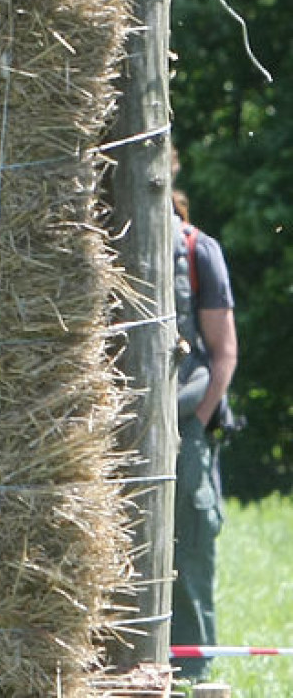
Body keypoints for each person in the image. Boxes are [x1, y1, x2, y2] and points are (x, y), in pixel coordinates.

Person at [169, 186, 239, 684]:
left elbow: (224, 353)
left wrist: (197, 421)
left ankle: (194, 677)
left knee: (190, 555)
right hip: (116, 433)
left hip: (186, 428)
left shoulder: (198, 249)